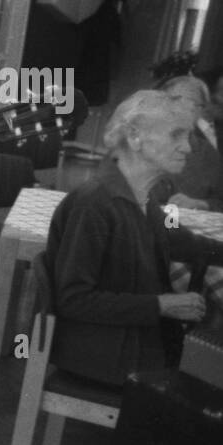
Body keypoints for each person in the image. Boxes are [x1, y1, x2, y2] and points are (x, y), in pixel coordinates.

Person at [47, 90, 223, 389]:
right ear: (134, 136)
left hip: (128, 340)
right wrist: (161, 305)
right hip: (105, 353)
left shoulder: (143, 195)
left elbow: (180, 240)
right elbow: (73, 300)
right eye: (176, 135)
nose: (187, 148)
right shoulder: (95, 203)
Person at [156, 73, 222, 212]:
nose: (174, 106)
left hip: (184, 230)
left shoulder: (208, 154)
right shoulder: (137, 141)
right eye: (171, 99)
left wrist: (199, 204)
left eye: (188, 101)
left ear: (200, 110)